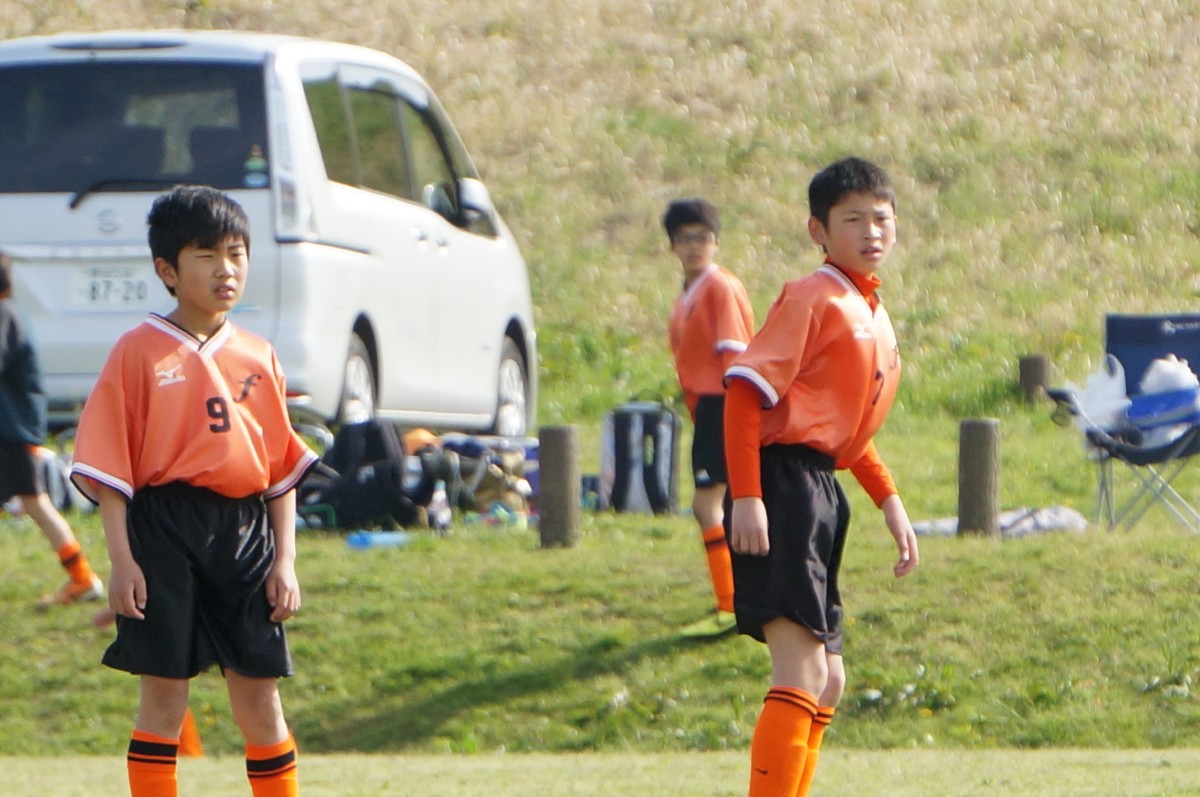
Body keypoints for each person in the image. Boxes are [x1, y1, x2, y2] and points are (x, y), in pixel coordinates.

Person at [70, 185, 319, 797]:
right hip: (162, 529)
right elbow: (111, 469)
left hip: (244, 530)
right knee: (163, 694)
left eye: (236, 253)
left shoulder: (258, 355)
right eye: (206, 255)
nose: (225, 269)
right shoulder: (137, 351)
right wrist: (122, 560)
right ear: (168, 271)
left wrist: (285, 560)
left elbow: (279, 470)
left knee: (259, 694)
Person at [722, 157, 920, 797]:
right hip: (781, 485)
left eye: (882, 218)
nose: (871, 231)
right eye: (853, 219)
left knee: (829, 680)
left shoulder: (869, 308)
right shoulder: (812, 295)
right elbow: (745, 395)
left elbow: (840, 424)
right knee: (802, 672)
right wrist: (748, 496)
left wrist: (888, 498)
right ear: (819, 230)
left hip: (820, 489)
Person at [662, 199, 755, 638]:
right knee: (728, 504)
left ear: (716, 242)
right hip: (706, 407)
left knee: (708, 505)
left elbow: (735, 354)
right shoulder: (688, 292)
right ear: (672, 246)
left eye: (703, 237)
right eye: (685, 238)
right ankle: (741, 599)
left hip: (723, 403)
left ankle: (730, 603)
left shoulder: (720, 287)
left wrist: (737, 415)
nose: (695, 245)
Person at [0, 251, 105, 608]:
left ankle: (83, 579)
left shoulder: (4, 314)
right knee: (35, 503)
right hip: (13, 430)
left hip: (11, 432)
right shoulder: (11, 312)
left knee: (36, 503)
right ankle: (81, 578)